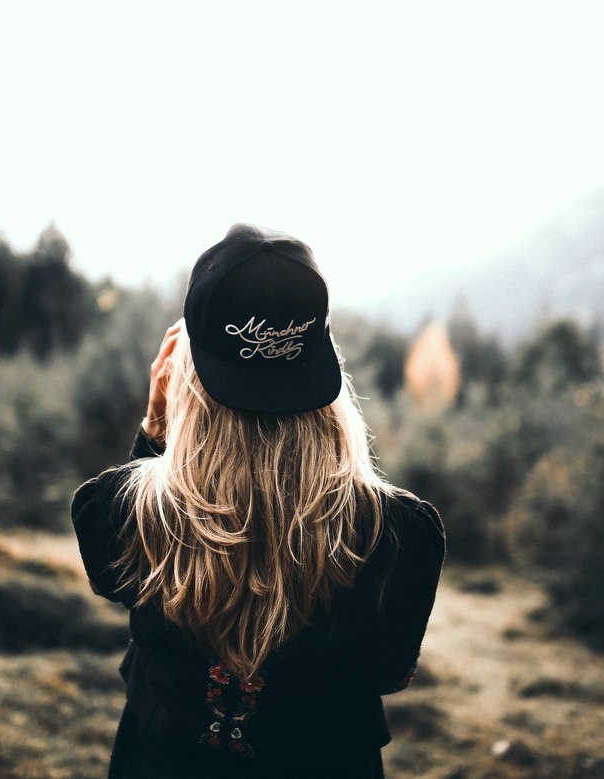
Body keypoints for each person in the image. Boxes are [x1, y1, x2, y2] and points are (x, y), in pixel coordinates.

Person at [71, 224, 445, 778]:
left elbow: (113, 578)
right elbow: (389, 673)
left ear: (183, 371)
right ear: (325, 367)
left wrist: (155, 427)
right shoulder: (402, 534)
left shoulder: (121, 512)